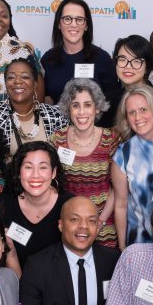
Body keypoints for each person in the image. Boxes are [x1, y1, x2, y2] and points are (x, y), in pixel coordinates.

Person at [52, 78, 119, 248]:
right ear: (69, 108)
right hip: (71, 225)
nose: (82, 112)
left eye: (87, 105)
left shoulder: (111, 139)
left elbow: (117, 188)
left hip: (104, 223)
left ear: (97, 108)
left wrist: (100, 222)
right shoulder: (57, 138)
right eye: (75, 105)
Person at [110, 84, 153, 248]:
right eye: (131, 112)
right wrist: (122, 247)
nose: (137, 117)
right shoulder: (123, 154)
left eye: (143, 110)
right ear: (126, 118)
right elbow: (120, 205)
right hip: (141, 242)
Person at [0, 141, 74, 270]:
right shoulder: (5, 203)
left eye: (43, 167)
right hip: (19, 282)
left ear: (53, 172)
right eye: (28, 167)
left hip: (61, 284)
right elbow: (9, 254)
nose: (35, 175)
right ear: (19, 171)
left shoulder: (70, 205)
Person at [40, 0, 119, 104]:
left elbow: (112, 100)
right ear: (59, 24)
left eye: (79, 19)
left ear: (86, 25)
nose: (73, 24)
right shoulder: (48, 59)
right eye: (67, 19)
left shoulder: (102, 58)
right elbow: (46, 97)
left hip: (94, 121)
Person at [0, 57, 69, 155]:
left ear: (35, 84)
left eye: (25, 77)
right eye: (11, 77)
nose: (17, 81)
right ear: (6, 84)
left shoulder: (55, 116)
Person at [99, 34, 153, 128]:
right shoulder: (106, 101)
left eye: (136, 61)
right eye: (122, 59)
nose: (128, 66)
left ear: (147, 67)